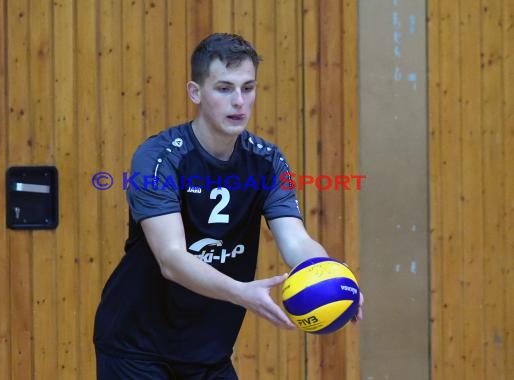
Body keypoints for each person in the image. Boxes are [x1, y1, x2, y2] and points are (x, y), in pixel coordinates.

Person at [93, 33, 363, 379]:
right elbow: (172, 259)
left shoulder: (266, 161)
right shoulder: (160, 158)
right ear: (196, 92)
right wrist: (240, 292)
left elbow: (295, 239)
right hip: (136, 348)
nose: (239, 101)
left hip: (208, 349)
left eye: (247, 88)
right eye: (224, 88)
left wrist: (330, 275)